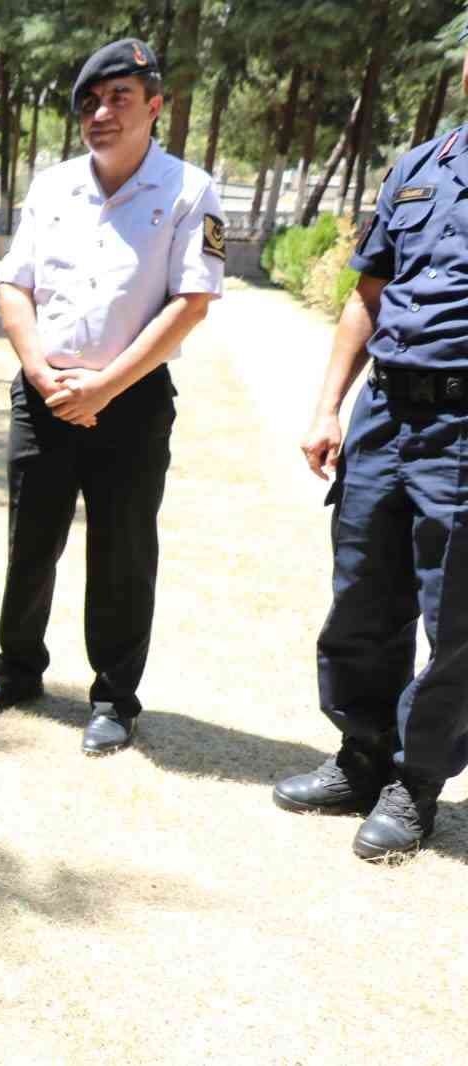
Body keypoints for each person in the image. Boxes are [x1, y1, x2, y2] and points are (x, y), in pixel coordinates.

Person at [0, 38, 225, 756]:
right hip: (44, 394)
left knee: (122, 550)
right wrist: (42, 374)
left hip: (129, 402)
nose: (102, 113)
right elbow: (14, 284)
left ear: (155, 107)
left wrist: (105, 385)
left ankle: (113, 697)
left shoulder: (189, 192)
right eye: (90, 102)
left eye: (120, 99)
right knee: (29, 542)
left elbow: (192, 301)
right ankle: (17, 671)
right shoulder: (53, 186)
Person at [271, 30, 468, 863]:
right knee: (360, 589)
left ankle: (415, 784)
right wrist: (328, 406)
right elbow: (367, 297)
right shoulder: (420, 165)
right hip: (386, 413)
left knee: (453, 613)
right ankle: (360, 756)